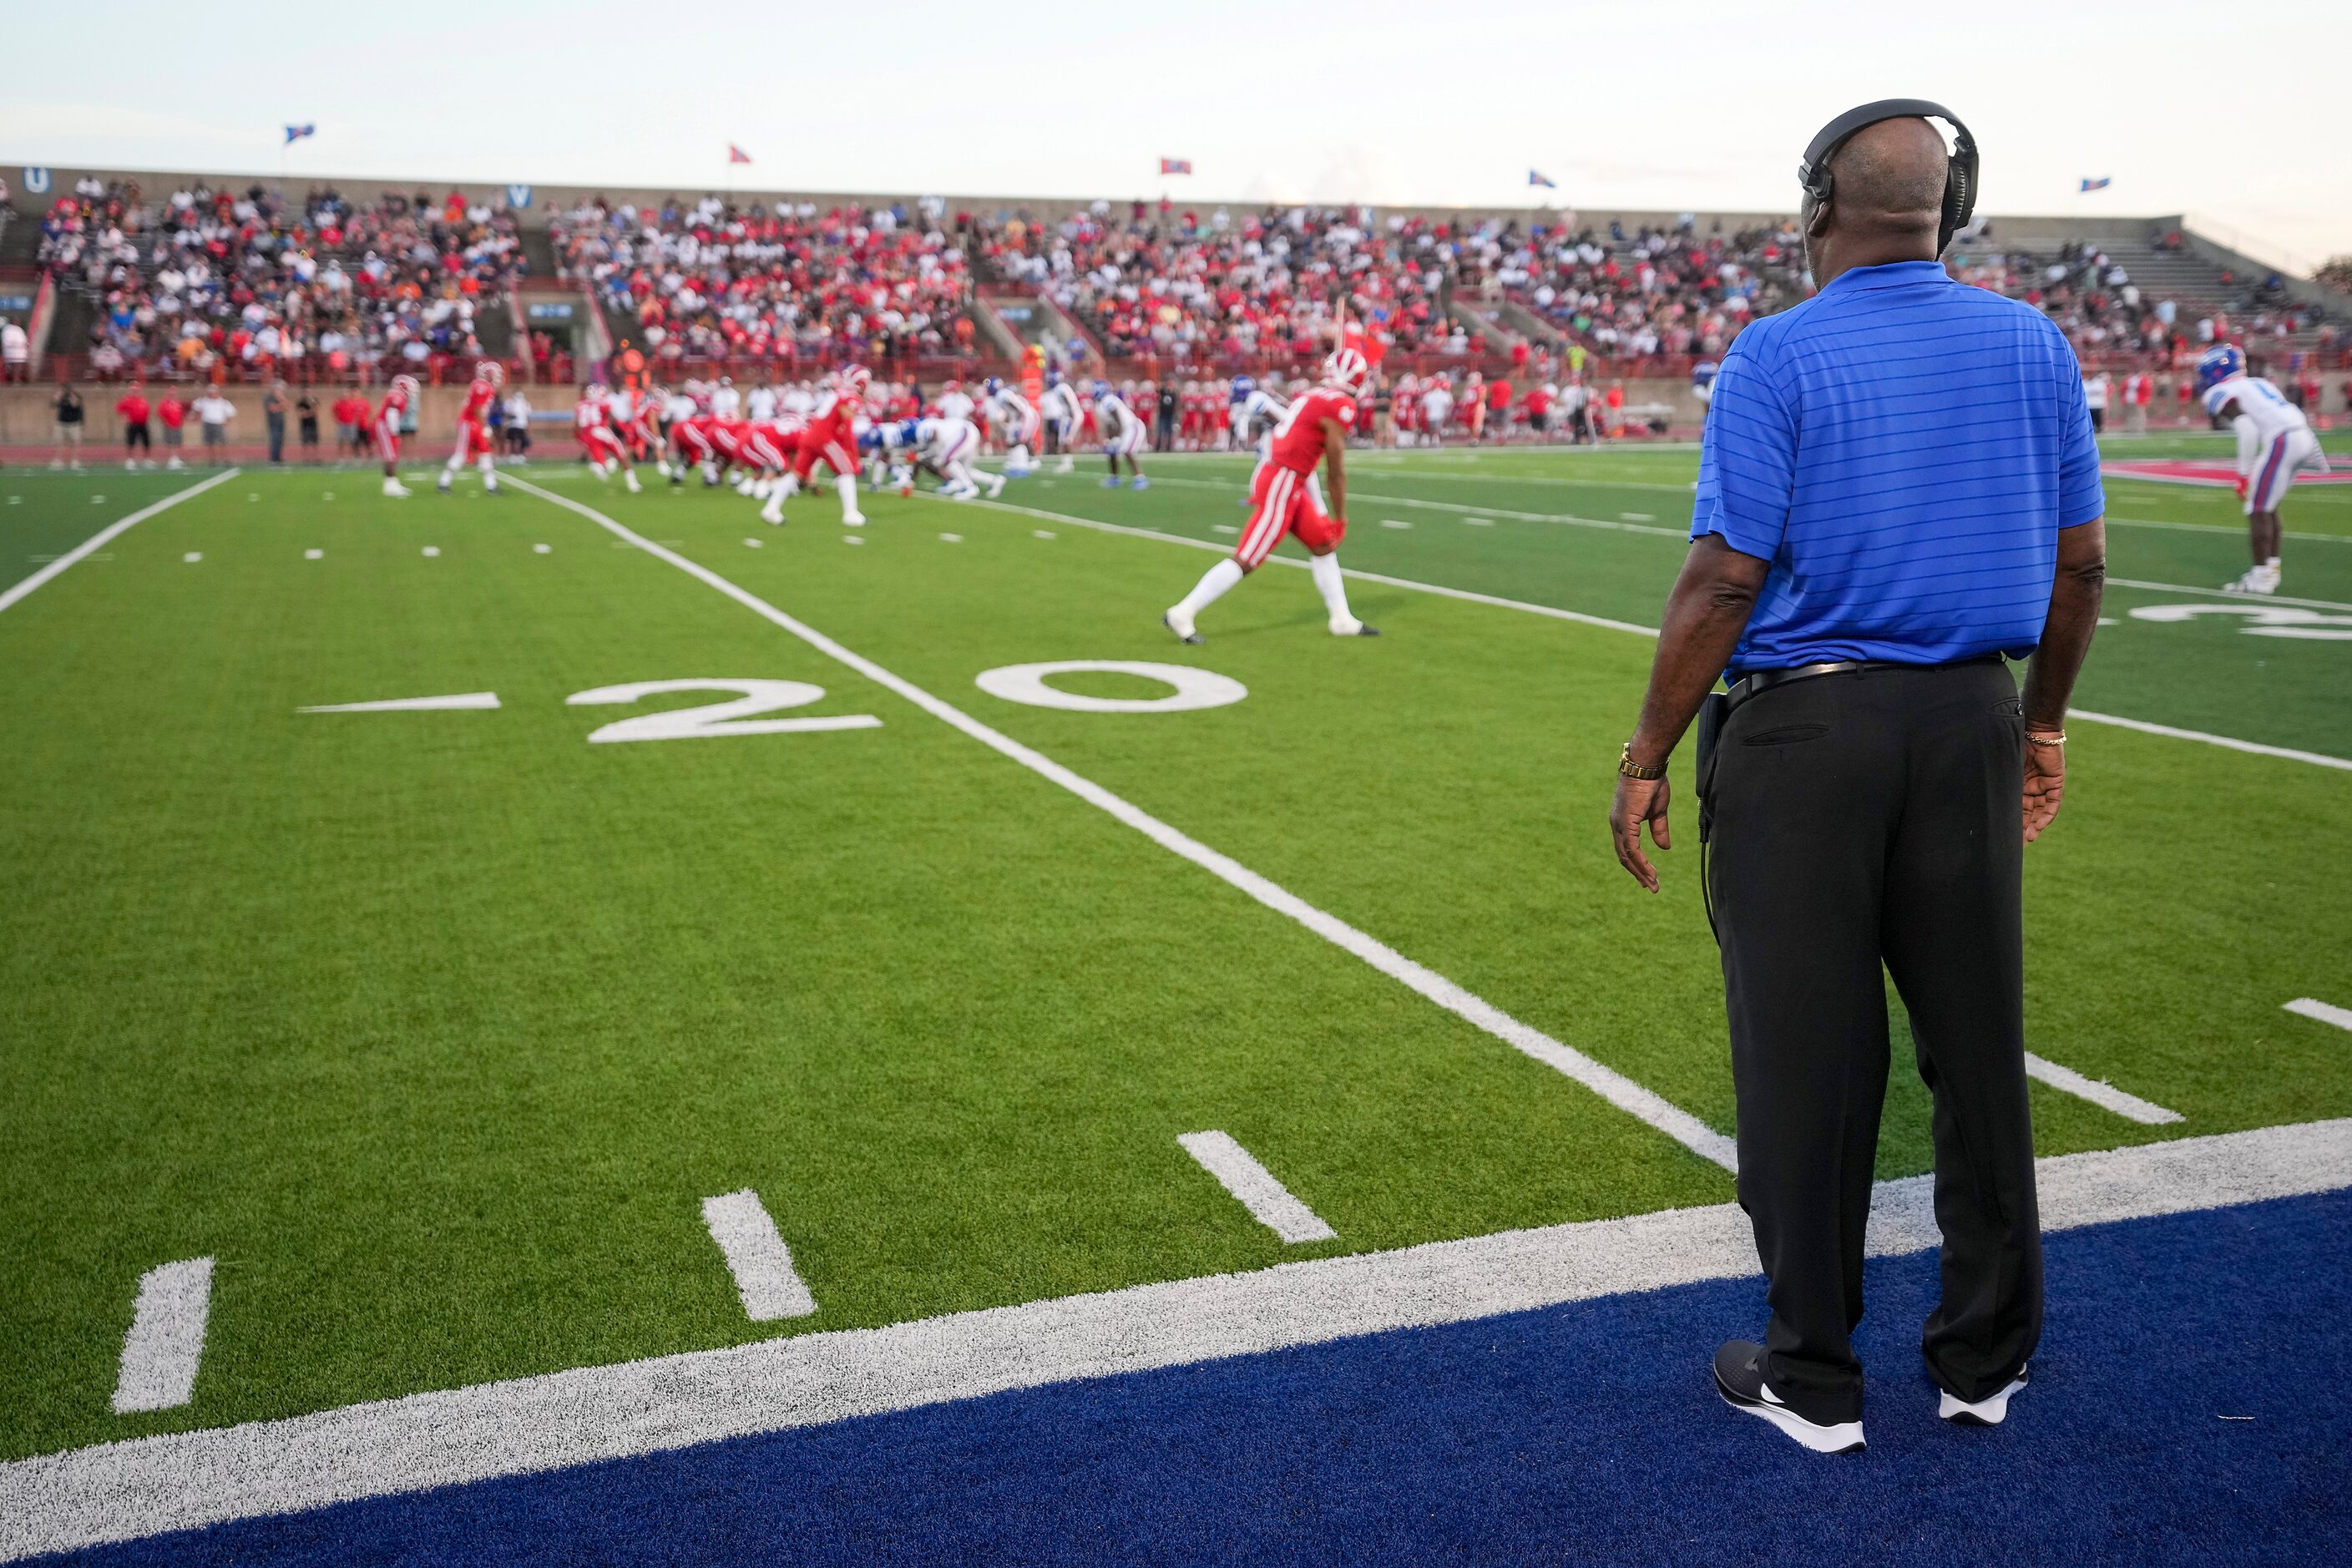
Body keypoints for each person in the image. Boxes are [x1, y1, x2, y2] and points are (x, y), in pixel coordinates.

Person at [1606, 107, 2107, 1455]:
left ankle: (1812, 1376)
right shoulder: (2031, 340)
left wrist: (1645, 749)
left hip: (1804, 737)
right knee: (1975, 1048)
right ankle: (1980, 1358)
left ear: (1817, 201)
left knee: (1807, 1062)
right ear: (1953, 208)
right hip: (1970, 718)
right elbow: (2078, 568)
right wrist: (2042, 728)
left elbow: (1724, 573)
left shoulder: (1776, 349)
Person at [1162, 347, 1379, 643]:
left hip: (1285, 477)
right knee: (1248, 558)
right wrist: (1341, 516)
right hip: (1282, 481)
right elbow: (1335, 470)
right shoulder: (1340, 405)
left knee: (1322, 544)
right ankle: (1183, 611)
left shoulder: (1312, 395)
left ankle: (1341, 618)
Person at [2198, 343, 2327, 596]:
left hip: (2282, 439)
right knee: (2269, 506)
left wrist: (2243, 474)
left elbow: (2248, 429)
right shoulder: (2259, 383)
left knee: (2257, 509)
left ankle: (2260, 579)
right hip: (2303, 434)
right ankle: (2270, 570)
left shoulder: (2220, 390)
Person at [766, 364, 867, 526]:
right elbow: (847, 429)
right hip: (824, 438)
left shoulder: (839, 393)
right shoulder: (851, 397)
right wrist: (853, 455)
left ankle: (771, 509)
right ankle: (851, 514)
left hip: (810, 435)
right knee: (847, 471)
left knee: (797, 474)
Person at [441, 360, 504, 494]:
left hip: (475, 423)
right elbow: (478, 409)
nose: (498, 378)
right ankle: (443, 483)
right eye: (496, 374)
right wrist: (486, 428)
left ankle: (491, 486)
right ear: (489, 375)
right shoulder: (483, 386)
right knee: (461, 454)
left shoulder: (483, 386)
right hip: (469, 423)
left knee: (485, 452)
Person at [1092, 379, 1149, 488]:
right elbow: (1110, 424)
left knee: (1127, 451)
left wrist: (1117, 437)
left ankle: (1140, 478)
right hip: (1123, 429)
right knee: (1111, 451)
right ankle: (1114, 478)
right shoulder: (1099, 405)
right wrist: (1110, 439)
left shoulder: (1108, 399)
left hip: (1132, 427)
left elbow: (1117, 419)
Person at [376, 375, 417, 497]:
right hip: (386, 427)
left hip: (385, 426)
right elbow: (391, 413)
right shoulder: (398, 396)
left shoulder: (397, 395)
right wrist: (394, 431)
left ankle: (393, 484)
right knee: (390, 457)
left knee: (392, 457)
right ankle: (390, 487)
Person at [115, 381, 153, 469]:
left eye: (137, 390)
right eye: (133, 390)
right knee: (131, 442)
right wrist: (124, 418)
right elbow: (119, 410)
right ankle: (130, 459)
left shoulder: (143, 400)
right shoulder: (127, 400)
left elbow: (147, 410)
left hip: (143, 423)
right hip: (133, 424)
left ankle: (146, 459)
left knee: (146, 442)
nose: (135, 391)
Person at [193, 387, 235, 465]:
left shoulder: (223, 402)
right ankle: (212, 460)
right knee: (210, 443)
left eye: (214, 392)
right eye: (210, 393)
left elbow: (231, 412)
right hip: (207, 423)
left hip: (218, 423)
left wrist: (227, 422)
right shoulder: (204, 401)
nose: (212, 394)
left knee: (223, 442)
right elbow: (196, 406)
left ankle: (226, 459)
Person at [51, 380, 86, 469]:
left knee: (75, 443)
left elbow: (76, 405)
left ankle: (75, 461)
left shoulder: (77, 396)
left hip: (74, 423)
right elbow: (52, 405)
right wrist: (57, 398)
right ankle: (59, 460)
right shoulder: (60, 397)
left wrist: (72, 396)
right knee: (60, 443)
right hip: (61, 423)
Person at [157, 388, 188, 469]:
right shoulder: (164, 403)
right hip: (169, 426)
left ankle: (176, 458)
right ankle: (171, 459)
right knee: (171, 443)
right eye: (170, 394)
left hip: (178, 425)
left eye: (173, 394)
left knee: (178, 442)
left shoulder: (177, 403)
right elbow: (161, 415)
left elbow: (181, 413)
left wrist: (181, 422)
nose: (172, 396)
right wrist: (167, 424)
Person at [263, 380, 291, 463]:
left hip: (281, 421)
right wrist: (281, 405)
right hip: (273, 422)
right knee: (274, 439)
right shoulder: (268, 398)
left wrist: (281, 399)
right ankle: (273, 458)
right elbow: (272, 409)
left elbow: (288, 407)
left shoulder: (280, 398)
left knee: (280, 440)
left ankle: (278, 457)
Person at [2, 316, 28, 382]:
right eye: (16, 320)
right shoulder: (7, 329)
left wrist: (24, 344)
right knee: (11, 367)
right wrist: (17, 345)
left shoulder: (19, 329)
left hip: (20, 353)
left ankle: (16, 379)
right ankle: (11, 379)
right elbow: (7, 341)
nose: (17, 322)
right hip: (11, 352)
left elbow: (24, 340)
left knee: (19, 367)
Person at [296, 389, 320, 460]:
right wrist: (311, 412)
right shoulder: (300, 403)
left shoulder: (315, 401)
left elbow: (316, 413)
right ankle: (305, 458)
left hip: (313, 424)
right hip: (305, 425)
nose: (308, 394)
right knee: (305, 443)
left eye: (309, 392)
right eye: (306, 392)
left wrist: (307, 412)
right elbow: (301, 415)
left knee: (315, 442)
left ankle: (315, 458)